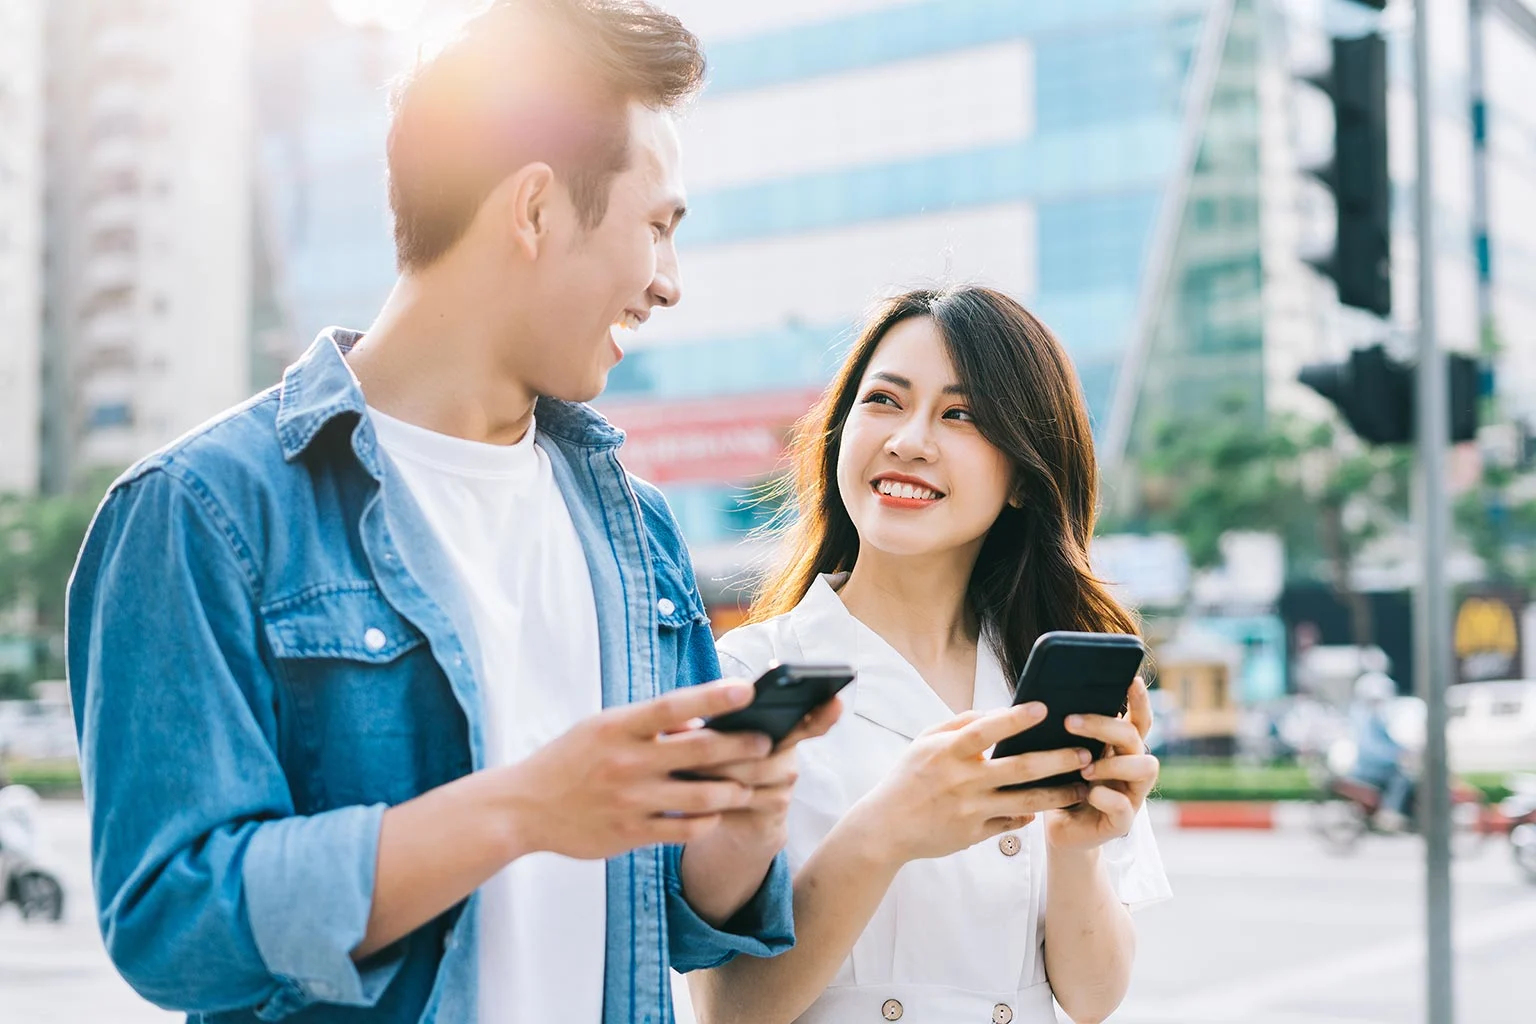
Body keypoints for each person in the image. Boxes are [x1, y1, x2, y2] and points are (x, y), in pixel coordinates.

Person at [65, 3, 837, 1022]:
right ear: (531, 211)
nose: (669, 283)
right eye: (657, 226)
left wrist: (740, 824)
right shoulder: (200, 513)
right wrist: (519, 808)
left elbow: (683, 924)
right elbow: (176, 924)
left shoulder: (635, 530)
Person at [684, 286, 1172, 1024]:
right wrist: (888, 832)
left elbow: (1093, 996)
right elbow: (728, 1008)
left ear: (1022, 477)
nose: (910, 439)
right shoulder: (748, 678)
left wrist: (1076, 848)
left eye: (961, 415)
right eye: (884, 400)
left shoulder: (1044, 682)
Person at [1348, 671, 1414, 831]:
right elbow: (1370, 748)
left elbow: (1389, 741)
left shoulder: (1375, 716)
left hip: (1376, 764)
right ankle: (1390, 813)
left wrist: (1406, 751)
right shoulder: (1363, 717)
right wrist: (1395, 756)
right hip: (1368, 768)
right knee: (1403, 779)